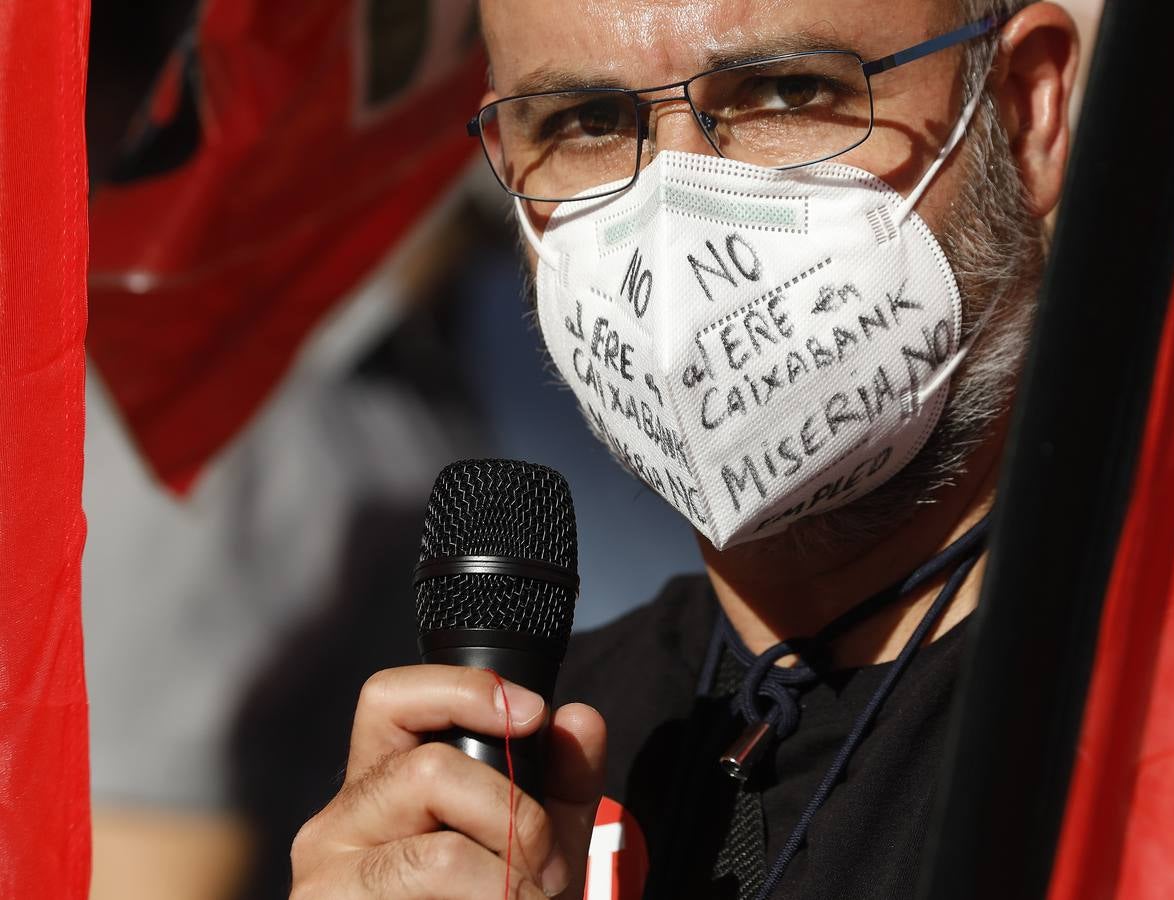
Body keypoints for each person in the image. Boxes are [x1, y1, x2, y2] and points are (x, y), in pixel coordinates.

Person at [289, 0, 1079, 896]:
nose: (678, 210)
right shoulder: (532, 763)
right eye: (585, 122)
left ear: (1022, 112)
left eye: (785, 92)